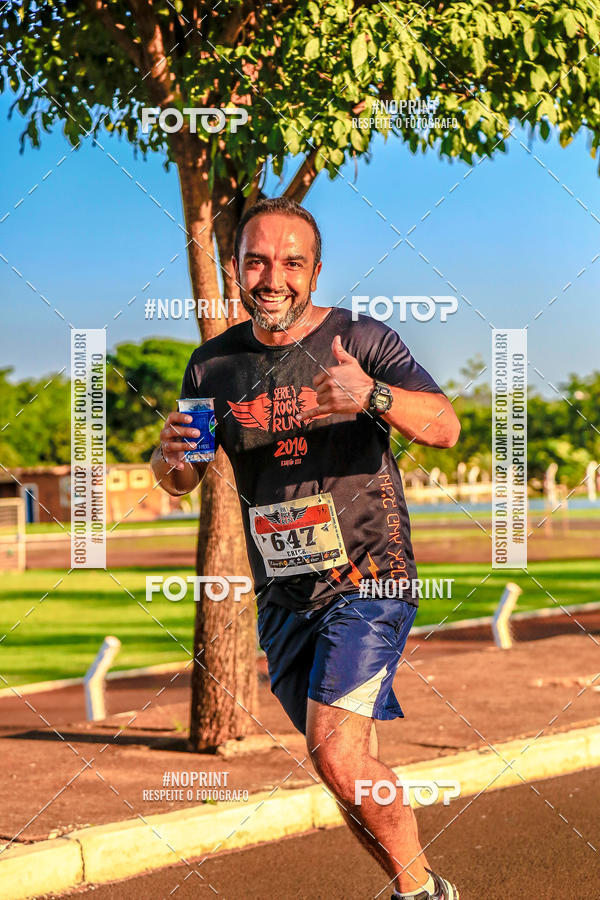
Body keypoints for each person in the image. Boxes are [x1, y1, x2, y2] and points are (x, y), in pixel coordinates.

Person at [152, 197, 461, 900]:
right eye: (256, 260)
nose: (272, 277)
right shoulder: (211, 368)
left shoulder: (362, 339)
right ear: (235, 269)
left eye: (291, 262)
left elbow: (444, 426)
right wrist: (163, 458)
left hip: (368, 578)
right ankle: (419, 888)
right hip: (283, 594)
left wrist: (374, 396)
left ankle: (421, 895)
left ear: (315, 273)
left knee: (335, 750)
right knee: (340, 766)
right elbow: (182, 478)